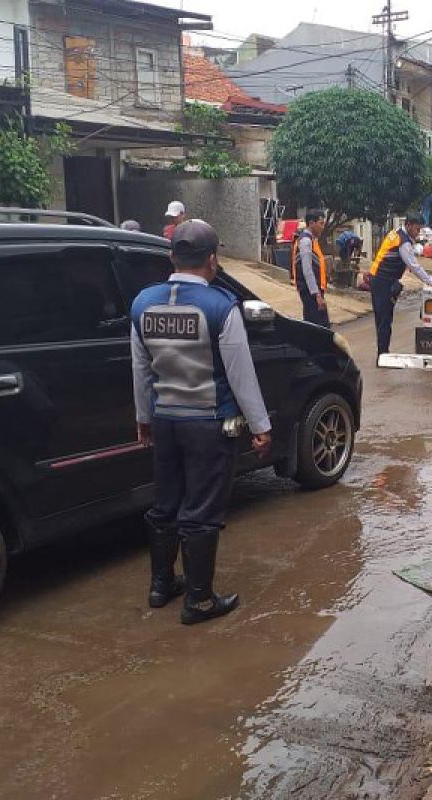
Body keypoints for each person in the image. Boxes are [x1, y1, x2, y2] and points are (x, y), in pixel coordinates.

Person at [131, 219, 272, 624]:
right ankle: (200, 601)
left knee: (166, 503)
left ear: (172, 256)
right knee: (202, 511)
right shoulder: (220, 306)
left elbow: (141, 370)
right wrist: (261, 426)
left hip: (164, 421)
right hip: (209, 425)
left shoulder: (143, 304)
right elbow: (241, 374)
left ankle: (161, 586)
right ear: (213, 260)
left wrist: (143, 417)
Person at [368, 213, 432, 358]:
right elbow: (414, 265)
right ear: (408, 225)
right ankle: (383, 355)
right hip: (382, 281)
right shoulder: (403, 243)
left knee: (382, 319)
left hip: (378, 278)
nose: (418, 233)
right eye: (417, 229)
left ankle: (383, 353)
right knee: (385, 319)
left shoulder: (396, 234)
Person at [291, 210, 330, 327]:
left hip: (313, 291)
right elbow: (307, 270)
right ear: (312, 223)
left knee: (317, 327)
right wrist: (316, 294)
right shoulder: (306, 241)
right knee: (320, 328)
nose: (322, 227)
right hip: (310, 292)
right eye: (321, 223)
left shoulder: (312, 240)